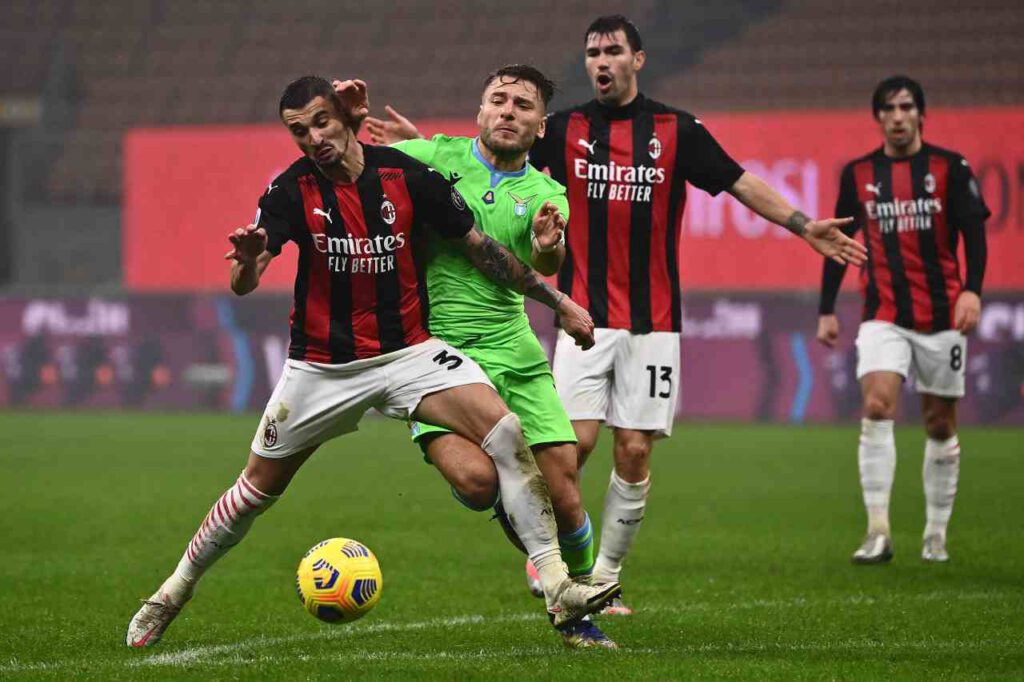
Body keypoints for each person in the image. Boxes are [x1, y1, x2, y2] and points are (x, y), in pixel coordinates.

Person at [367, 15, 866, 614]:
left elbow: (739, 183)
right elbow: (487, 168)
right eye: (592, 53)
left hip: (655, 319)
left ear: (638, 59)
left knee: (633, 449)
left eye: (612, 52)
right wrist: (420, 143)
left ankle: (603, 575)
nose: (601, 62)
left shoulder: (676, 131)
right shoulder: (566, 127)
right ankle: (549, 552)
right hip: (586, 317)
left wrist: (804, 225)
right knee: (570, 450)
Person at [124, 76, 621, 649]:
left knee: (507, 436)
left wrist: (558, 301)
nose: (313, 139)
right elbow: (247, 277)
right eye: (298, 131)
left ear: (344, 118)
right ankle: (172, 592)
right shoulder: (290, 189)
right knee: (255, 491)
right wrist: (246, 261)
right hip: (321, 366)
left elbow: (484, 252)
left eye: (321, 122)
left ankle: (559, 587)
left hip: (408, 353)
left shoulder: (408, 177)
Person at [365, 64, 613, 649]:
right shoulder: (432, 156)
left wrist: (549, 250)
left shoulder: (548, 194)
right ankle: (522, 522)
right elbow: (363, 160)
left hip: (514, 350)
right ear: (479, 112)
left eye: (522, 105)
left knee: (567, 491)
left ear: (539, 125)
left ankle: (580, 606)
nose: (508, 111)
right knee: (480, 483)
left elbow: (544, 264)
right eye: (498, 100)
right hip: (435, 356)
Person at [817, 75, 989, 564]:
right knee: (875, 405)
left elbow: (974, 235)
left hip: (941, 315)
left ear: (920, 114)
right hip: (883, 314)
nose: (897, 116)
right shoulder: (858, 175)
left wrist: (972, 290)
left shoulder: (949, 168)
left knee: (939, 422)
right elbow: (838, 245)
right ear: (878, 118)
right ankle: (878, 531)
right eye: (888, 108)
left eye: (906, 107)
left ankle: (935, 533)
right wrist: (827, 307)